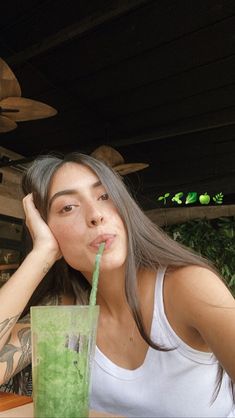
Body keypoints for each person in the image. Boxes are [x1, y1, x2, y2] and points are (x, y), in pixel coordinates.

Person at [0, 151, 234, 417]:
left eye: (104, 196)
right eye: (68, 207)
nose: (96, 215)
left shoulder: (187, 286)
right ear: (46, 228)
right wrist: (41, 255)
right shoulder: (66, 311)